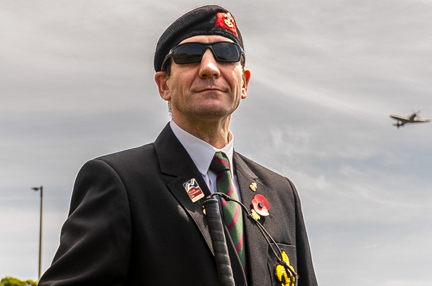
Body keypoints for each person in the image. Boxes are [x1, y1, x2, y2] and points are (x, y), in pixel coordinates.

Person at [39, 5, 318, 286]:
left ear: (243, 83)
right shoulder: (119, 182)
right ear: (164, 85)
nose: (209, 68)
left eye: (226, 54)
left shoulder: (282, 194)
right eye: (189, 57)